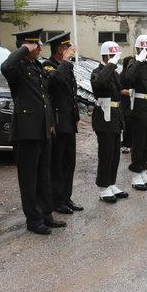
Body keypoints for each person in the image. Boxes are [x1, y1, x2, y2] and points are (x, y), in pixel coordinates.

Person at [1, 28, 66, 235]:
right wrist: (22, 50)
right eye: (35, 45)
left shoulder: (36, 66)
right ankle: (33, 219)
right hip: (26, 132)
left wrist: (50, 122)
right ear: (25, 46)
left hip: (43, 128)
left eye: (38, 44)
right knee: (29, 178)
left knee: (43, 174)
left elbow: (46, 96)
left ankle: (46, 214)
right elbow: (5, 66)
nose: (39, 48)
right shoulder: (17, 68)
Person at [43, 32, 83, 215]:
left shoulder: (65, 66)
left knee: (69, 162)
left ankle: (66, 198)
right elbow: (56, 82)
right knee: (57, 163)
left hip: (68, 121)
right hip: (57, 122)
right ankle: (56, 201)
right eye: (67, 47)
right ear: (60, 49)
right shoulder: (48, 66)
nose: (70, 50)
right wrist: (66, 61)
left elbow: (71, 92)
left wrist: (75, 114)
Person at [91, 41, 130, 203]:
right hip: (104, 115)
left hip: (115, 115)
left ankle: (111, 183)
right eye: (112, 56)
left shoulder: (113, 72)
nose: (115, 59)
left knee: (114, 154)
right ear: (105, 55)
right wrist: (111, 65)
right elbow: (100, 84)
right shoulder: (97, 71)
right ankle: (103, 187)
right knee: (106, 153)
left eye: (116, 56)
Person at [125, 34, 147, 190]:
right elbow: (128, 79)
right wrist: (139, 60)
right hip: (139, 108)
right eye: (145, 49)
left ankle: (143, 171)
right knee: (138, 143)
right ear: (138, 48)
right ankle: (136, 176)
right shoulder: (134, 64)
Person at [120, 55, 134, 154]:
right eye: (130, 63)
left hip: (134, 102)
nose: (131, 65)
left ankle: (132, 143)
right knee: (127, 124)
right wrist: (132, 92)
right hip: (126, 103)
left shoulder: (134, 74)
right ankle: (125, 144)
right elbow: (120, 90)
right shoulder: (122, 75)